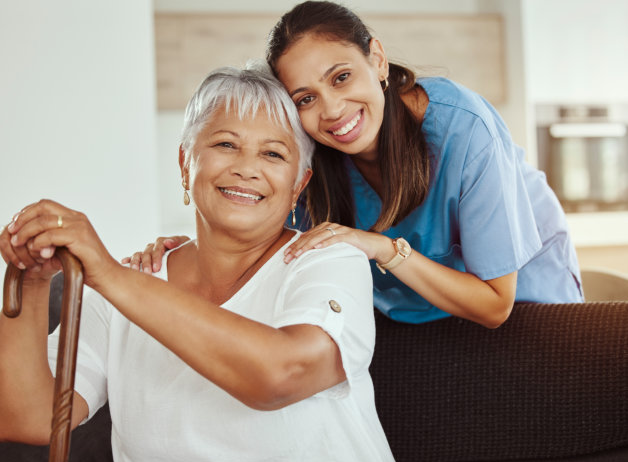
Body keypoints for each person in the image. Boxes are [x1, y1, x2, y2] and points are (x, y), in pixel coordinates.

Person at [0, 63, 395, 462]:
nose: (246, 168)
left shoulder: (328, 261)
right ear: (184, 164)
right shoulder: (129, 283)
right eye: (225, 144)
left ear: (297, 185)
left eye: (272, 154)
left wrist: (110, 275)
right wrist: (30, 283)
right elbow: (23, 420)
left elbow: (280, 376)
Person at [128, 1, 583, 329]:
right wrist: (183, 257)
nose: (332, 110)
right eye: (305, 98)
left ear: (377, 60)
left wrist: (383, 248)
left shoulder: (464, 129)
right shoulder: (309, 154)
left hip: (525, 307)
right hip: (411, 320)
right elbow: (265, 243)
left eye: (341, 77)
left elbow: (494, 305)